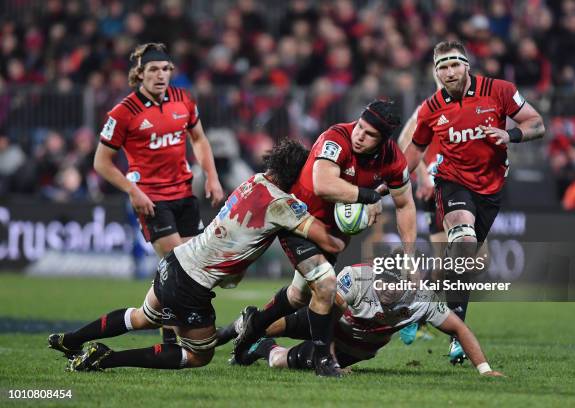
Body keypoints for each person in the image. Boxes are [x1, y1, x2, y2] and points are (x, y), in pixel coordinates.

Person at [47, 140, 346, 372]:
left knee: (141, 318)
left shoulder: (254, 181)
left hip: (175, 262)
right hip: (190, 285)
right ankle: (105, 359)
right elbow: (328, 242)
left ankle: (71, 339)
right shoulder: (282, 205)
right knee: (198, 354)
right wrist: (350, 221)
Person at [232, 100, 417, 377]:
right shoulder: (337, 137)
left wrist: (410, 256)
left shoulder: (393, 160)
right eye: (360, 127)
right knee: (326, 285)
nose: (359, 135)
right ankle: (323, 362)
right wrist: (369, 196)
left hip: (332, 233)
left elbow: (405, 205)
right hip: (299, 219)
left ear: (383, 141)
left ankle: (253, 325)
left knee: (297, 297)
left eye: (369, 134)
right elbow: (323, 183)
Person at [404, 40, 545, 362]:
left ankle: (423, 305)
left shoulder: (500, 90)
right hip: (451, 182)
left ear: (467, 64)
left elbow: (537, 124)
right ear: (436, 73)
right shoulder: (430, 108)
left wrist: (510, 135)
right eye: (443, 67)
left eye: (455, 64)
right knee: (463, 242)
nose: (450, 72)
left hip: (491, 189)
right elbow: (412, 150)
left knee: (470, 262)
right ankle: (455, 333)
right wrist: (391, 184)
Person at [92, 43, 225, 344]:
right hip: (152, 199)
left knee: (194, 266)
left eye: (166, 69)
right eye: (153, 69)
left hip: (184, 194)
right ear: (139, 74)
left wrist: (212, 177)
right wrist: (133, 190)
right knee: (179, 262)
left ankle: (167, 328)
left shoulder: (184, 100)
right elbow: (101, 162)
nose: (161, 75)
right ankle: (170, 337)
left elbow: (200, 139)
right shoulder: (123, 112)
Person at [224, 262, 504, 377]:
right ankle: (244, 327)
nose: (385, 290)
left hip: (354, 349)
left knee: (278, 360)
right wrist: (327, 358)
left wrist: (485, 370)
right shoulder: (355, 278)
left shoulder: (422, 300)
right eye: (381, 284)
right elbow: (328, 317)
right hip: (328, 323)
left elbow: (459, 328)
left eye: (394, 287)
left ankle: (263, 348)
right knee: (271, 322)